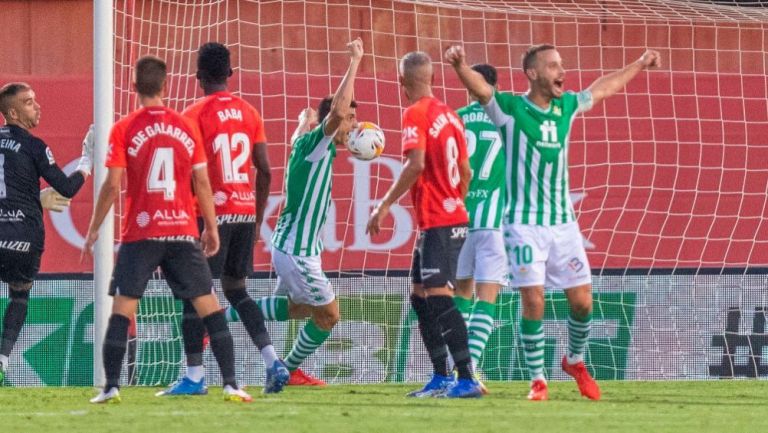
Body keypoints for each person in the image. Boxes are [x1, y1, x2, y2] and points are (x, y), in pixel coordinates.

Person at [445, 43, 660, 400]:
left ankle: (574, 360)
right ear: (532, 74)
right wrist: (460, 65)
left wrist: (639, 63)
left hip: (563, 225)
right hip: (521, 225)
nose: (562, 71)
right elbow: (483, 90)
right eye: (553, 66)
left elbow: (603, 88)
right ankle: (537, 380)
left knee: (582, 303)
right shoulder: (510, 109)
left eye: (561, 65)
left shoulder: (567, 106)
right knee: (534, 300)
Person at [84, 55, 250, 403]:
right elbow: (202, 182)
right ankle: (232, 384)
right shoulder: (186, 125)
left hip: (141, 233)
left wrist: (95, 227)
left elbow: (113, 185)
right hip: (181, 231)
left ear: (134, 87)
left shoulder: (124, 127)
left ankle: (111, 387)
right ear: (166, 86)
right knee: (208, 304)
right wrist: (212, 228)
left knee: (123, 308)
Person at [156, 42, 287, 396]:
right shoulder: (250, 112)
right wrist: (257, 217)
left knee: (194, 295)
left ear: (198, 76)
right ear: (230, 74)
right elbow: (266, 171)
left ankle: (195, 376)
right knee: (237, 290)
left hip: (210, 214)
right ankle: (273, 360)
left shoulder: (192, 115)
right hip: (244, 211)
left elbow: (186, 174)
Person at [367, 51, 481, 399]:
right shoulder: (450, 115)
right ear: (431, 78)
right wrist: (454, 198)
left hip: (440, 222)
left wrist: (384, 205)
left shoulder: (414, 113)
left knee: (439, 298)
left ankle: (466, 378)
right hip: (446, 218)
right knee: (420, 297)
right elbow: (466, 171)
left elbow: (414, 164)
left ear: (402, 82)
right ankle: (440, 375)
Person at [264, 37, 362, 386]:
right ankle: (287, 371)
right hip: (297, 252)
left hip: (294, 248)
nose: (351, 125)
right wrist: (355, 61)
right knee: (329, 315)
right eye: (350, 118)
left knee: (298, 309)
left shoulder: (306, 143)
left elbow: (298, 138)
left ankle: (215, 319)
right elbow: (335, 113)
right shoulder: (319, 144)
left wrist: (302, 121)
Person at [0, 82, 92, 385]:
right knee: (20, 295)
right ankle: (2, 358)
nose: (37, 106)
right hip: (24, 237)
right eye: (28, 102)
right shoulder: (34, 146)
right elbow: (66, 188)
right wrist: (87, 162)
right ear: (12, 112)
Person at [453, 64, 507, 394]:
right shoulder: (507, 118)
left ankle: (461, 368)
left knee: (461, 294)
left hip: (459, 220)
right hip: (493, 222)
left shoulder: (456, 117)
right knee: (487, 296)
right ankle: (469, 371)